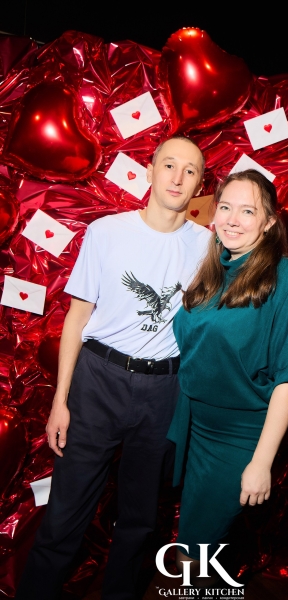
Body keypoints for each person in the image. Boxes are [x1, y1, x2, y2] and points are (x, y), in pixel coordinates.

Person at [16, 136, 212, 600]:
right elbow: (77, 319)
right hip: (98, 381)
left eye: (190, 171)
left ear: (200, 185)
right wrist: (60, 401)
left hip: (164, 391)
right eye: (169, 165)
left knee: (140, 519)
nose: (178, 177)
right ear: (149, 171)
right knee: (66, 512)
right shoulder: (106, 231)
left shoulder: (209, 246)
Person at [167, 169, 288, 587]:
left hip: (237, 437)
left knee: (195, 549)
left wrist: (261, 462)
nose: (232, 220)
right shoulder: (216, 269)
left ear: (269, 222)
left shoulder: (287, 279)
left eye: (248, 211)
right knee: (190, 544)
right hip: (193, 423)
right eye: (226, 208)